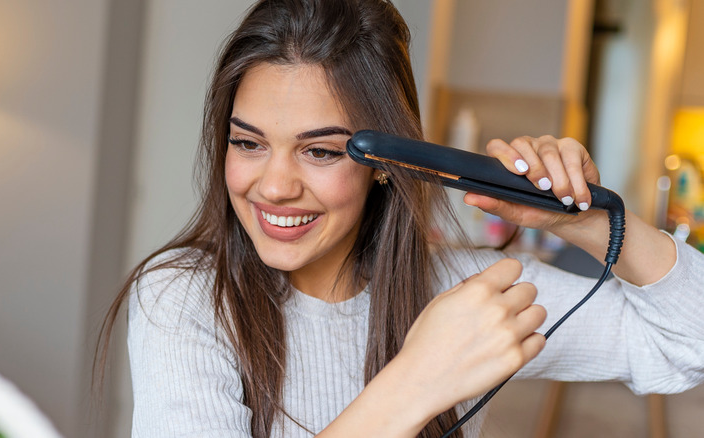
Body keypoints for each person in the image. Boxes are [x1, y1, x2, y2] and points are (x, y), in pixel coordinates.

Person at [95, 0, 704, 437]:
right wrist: (417, 380)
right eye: (247, 143)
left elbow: (689, 344)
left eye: (321, 151)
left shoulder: (470, 295)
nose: (274, 186)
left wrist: (583, 220)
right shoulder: (186, 299)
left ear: (384, 162)